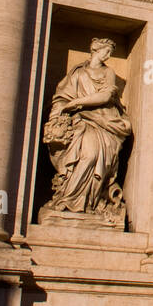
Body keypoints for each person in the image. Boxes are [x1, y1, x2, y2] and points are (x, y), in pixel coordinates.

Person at [42, 37, 132, 215]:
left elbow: (106, 97)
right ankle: (68, 199)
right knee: (87, 156)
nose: (108, 56)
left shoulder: (108, 73)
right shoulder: (77, 72)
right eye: (106, 51)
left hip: (104, 121)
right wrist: (59, 113)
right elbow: (61, 97)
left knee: (96, 158)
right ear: (95, 50)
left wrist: (76, 103)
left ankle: (90, 202)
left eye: (110, 53)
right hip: (81, 122)